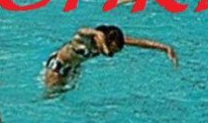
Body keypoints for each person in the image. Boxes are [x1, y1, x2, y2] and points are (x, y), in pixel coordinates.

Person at [41, 24, 177, 91]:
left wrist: (165, 48)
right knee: (51, 96)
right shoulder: (83, 38)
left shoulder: (111, 42)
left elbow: (139, 42)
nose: (114, 53)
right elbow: (87, 31)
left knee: (63, 95)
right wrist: (104, 48)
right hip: (57, 66)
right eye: (113, 49)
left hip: (74, 68)